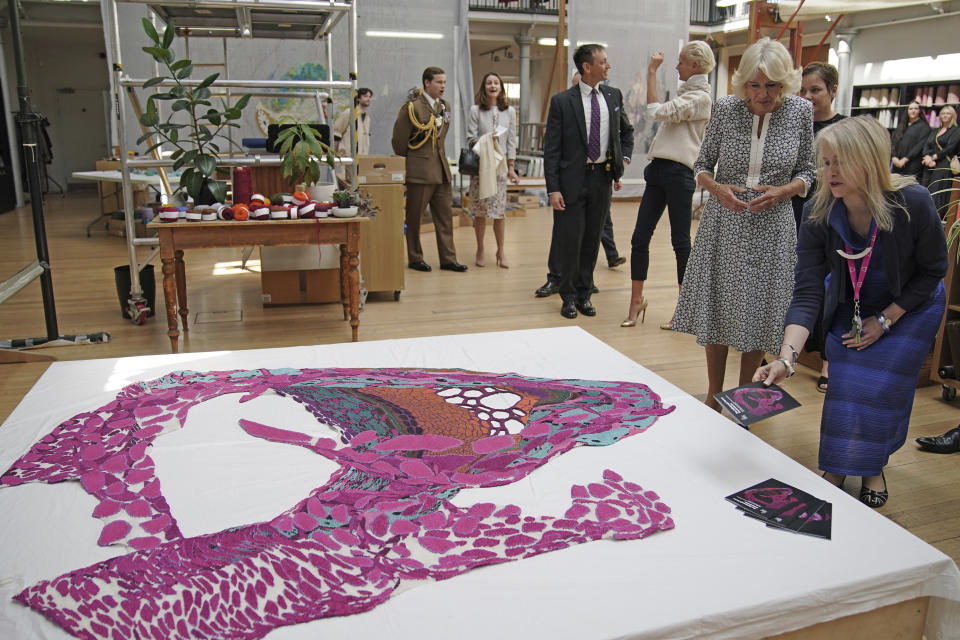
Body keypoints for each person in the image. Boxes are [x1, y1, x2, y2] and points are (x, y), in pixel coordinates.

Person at [754, 116, 948, 508]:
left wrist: (887, 318)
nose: (830, 172)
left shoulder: (913, 202)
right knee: (846, 385)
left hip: (912, 305)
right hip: (853, 305)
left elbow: (933, 270)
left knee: (879, 386)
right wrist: (786, 359)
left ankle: (872, 467)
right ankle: (839, 467)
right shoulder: (818, 211)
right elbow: (807, 291)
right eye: (825, 163)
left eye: (841, 162)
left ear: (871, 160)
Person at [672, 37, 814, 410]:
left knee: (759, 308)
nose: (763, 94)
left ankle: (745, 396)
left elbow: (810, 172)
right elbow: (701, 166)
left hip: (773, 224)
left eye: (772, 86)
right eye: (755, 84)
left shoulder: (800, 112)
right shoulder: (725, 109)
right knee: (719, 305)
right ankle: (713, 394)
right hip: (726, 219)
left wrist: (785, 191)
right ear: (742, 83)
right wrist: (718, 189)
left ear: (786, 84)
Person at [621, 41, 715, 329]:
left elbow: (654, 110)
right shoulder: (688, 95)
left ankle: (684, 309)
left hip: (679, 173)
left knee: (680, 242)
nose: (676, 66)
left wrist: (652, 71)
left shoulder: (700, 98)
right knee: (639, 237)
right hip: (659, 169)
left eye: (681, 62)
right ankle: (636, 301)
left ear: (695, 66)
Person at [543, 44, 634, 319]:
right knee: (571, 240)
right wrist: (553, 188)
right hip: (572, 180)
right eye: (603, 62)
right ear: (587, 67)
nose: (608, 66)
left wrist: (623, 160)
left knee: (593, 238)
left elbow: (626, 133)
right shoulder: (562, 101)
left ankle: (584, 293)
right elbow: (552, 149)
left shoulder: (613, 95)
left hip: (601, 178)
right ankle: (568, 296)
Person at [792, 62, 846, 393]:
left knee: (830, 286)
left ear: (832, 91)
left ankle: (828, 360)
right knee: (794, 281)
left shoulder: (844, 129)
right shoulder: (796, 126)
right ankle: (789, 351)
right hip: (796, 209)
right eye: (803, 90)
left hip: (831, 212)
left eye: (816, 89)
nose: (808, 96)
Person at [392, 67, 467, 273]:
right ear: (427, 83)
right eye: (438, 82)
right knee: (415, 217)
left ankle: (448, 259)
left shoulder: (445, 106)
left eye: (444, 82)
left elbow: (440, 138)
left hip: (441, 171)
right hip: (420, 171)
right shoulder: (413, 108)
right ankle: (415, 257)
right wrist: (415, 161)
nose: (443, 86)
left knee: (445, 217)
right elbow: (399, 142)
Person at [466, 72, 519, 268]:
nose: (493, 85)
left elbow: (512, 141)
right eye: (489, 83)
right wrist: (487, 138)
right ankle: (480, 248)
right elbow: (470, 138)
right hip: (481, 166)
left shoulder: (510, 112)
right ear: (484, 87)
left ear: (501, 87)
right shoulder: (475, 110)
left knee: (499, 212)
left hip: (500, 167)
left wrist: (512, 168)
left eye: (496, 82)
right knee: (480, 212)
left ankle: (501, 251)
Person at [920, 104, 960, 216]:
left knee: (937, 192)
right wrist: (927, 157)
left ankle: (935, 217)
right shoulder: (935, 130)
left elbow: (950, 148)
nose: (945, 116)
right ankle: (924, 214)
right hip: (929, 164)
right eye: (943, 113)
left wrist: (933, 157)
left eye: (948, 113)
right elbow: (926, 145)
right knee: (925, 189)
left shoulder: (956, 131)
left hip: (943, 164)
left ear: (953, 116)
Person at [891, 101, 930, 179]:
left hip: (911, 165)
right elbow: (893, 142)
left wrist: (904, 160)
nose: (913, 110)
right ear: (907, 111)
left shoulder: (924, 127)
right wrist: (893, 157)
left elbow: (919, 147)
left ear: (919, 111)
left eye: (916, 108)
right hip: (897, 164)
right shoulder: (902, 125)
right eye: (910, 108)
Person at [333, 88, 373, 155]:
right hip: (348, 157)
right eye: (365, 96)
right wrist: (334, 153)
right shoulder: (349, 113)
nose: (368, 99)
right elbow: (337, 132)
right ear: (358, 98)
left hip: (363, 157)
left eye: (370, 97)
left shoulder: (367, 118)